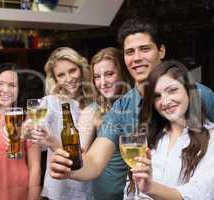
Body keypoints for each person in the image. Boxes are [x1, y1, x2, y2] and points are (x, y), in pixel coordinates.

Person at [49, 17, 214, 200]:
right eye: (129, 52)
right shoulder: (120, 109)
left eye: (144, 49)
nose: (136, 58)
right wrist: (71, 168)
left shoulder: (200, 95)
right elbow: (95, 161)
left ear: (161, 51)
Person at [130, 60, 214, 199]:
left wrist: (150, 187)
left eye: (172, 90)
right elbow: (131, 192)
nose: (165, 102)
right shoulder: (146, 136)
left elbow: (198, 194)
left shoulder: (211, 138)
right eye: (157, 96)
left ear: (189, 90)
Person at [32, 47, 94, 200]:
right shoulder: (51, 102)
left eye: (72, 71)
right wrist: (28, 129)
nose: (68, 78)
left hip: (89, 188)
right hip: (59, 190)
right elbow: (34, 127)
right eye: (61, 75)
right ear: (55, 79)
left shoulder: (94, 102)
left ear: (82, 69)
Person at [0, 64, 42, 200]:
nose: (5, 90)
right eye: (0, 84)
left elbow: (35, 167)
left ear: (20, 89)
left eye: (12, 85)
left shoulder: (28, 120)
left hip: (19, 194)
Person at [78, 47, 130, 199]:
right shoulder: (92, 111)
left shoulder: (135, 105)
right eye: (97, 76)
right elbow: (78, 153)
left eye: (109, 74)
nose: (103, 82)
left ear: (122, 73)